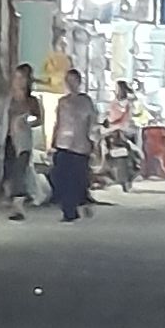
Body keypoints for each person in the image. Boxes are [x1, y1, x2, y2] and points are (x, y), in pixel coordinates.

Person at [0, 64, 42, 220]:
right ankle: (14, 200)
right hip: (7, 140)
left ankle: (18, 207)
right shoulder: (5, 101)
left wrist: (26, 121)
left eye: (22, 78)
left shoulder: (31, 101)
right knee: (8, 173)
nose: (18, 81)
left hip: (23, 143)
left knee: (19, 172)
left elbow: (39, 119)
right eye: (16, 77)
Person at [50, 68, 97, 222]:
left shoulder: (86, 102)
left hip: (80, 145)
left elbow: (92, 123)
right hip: (63, 143)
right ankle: (69, 209)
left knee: (77, 179)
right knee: (61, 177)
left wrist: (93, 142)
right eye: (68, 81)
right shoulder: (63, 102)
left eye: (73, 80)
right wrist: (53, 142)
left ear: (79, 82)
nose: (70, 84)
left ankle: (75, 207)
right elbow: (58, 122)